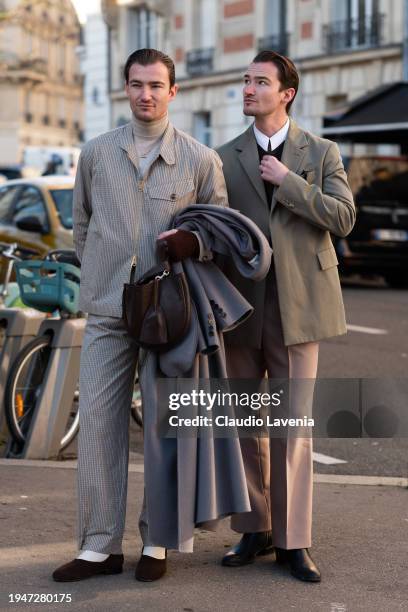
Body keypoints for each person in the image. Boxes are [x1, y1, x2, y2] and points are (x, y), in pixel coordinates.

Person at [52, 48, 228, 583]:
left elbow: (216, 238)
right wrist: (107, 272)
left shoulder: (201, 160)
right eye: (136, 84)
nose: (145, 94)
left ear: (173, 91)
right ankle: (99, 546)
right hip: (107, 309)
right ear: (124, 89)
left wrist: (188, 244)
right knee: (99, 426)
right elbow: (82, 227)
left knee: (164, 429)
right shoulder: (97, 154)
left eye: (156, 85)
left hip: (169, 317)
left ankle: (158, 541)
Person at [217, 50, 355, 582]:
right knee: (247, 423)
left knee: (292, 427)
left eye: (259, 82)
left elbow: (343, 218)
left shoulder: (321, 152)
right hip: (242, 306)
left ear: (286, 93)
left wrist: (288, 182)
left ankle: (294, 541)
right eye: (245, 80)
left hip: (301, 308)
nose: (248, 89)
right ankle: (256, 527)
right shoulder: (224, 156)